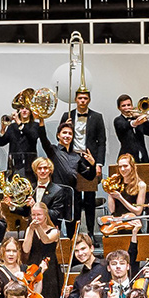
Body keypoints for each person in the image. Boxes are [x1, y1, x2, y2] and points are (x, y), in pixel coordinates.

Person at [58, 89, 107, 235]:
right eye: (80, 98)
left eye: (85, 98)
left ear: (89, 100)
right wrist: (66, 126)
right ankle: (74, 234)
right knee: (74, 199)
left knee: (90, 199)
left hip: (88, 158)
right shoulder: (67, 115)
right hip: (71, 157)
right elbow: (60, 137)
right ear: (76, 99)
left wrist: (98, 163)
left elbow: (102, 142)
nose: (82, 101)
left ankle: (90, 233)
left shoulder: (97, 117)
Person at [42, 119, 98, 217]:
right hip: (57, 195)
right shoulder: (53, 151)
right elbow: (43, 138)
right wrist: (41, 122)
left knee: (73, 226)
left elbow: (89, 176)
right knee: (56, 225)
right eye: (64, 133)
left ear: (72, 137)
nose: (67, 136)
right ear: (58, 135)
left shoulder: (76, 156)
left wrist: (93, 164)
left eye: (70, 134)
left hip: (73, 197)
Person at [22, 203, 61, 298]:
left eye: (39, 214)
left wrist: (38, 227)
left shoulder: (54, 231)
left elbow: (46, 240)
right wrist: (30, 230)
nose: (35, 217)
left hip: (49, 267)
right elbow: (25, 249)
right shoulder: (29, 229)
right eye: (33, 215)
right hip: (33, 266)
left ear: (45, 215)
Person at [0, 102, 44, 178]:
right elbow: (1, 143)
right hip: (14, 165)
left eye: (27, 109)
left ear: (31, 111)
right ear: (18, 111)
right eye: (22, 108)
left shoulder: (35, 125)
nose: (24, 111)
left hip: (29, 165)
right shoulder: (12, 126)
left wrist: (19, 122)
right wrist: (3, 128)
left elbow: (33, 137)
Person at [26, 156, 71, 227]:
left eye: (45, 168)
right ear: (35, 171)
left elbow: (56, 214)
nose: (42, 171)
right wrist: (11, 205)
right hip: (31, 228)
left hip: (49, 228)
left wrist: (35, 206)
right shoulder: (30, 187)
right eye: (39, 168)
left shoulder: (58, 190)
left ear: (50, 170)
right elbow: (24, 211)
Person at [114, 95, 149, 163]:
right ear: (119, 108)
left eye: (129, 105)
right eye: (123, 106)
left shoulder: (138, 120)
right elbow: (125, 126)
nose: (127, 108)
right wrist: (135, 123)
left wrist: (144, 118)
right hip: (126, 158)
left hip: (143, 157)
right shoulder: (118, 120)